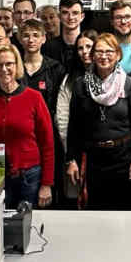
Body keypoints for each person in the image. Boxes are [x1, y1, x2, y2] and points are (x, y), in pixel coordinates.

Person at [66, 33, 131, 211]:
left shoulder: (128, 84)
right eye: (99, 51)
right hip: (93, 159)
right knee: (95, 211)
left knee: (124, 212)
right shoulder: (81, 85)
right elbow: (74, 126)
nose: (104, 56)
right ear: (92, 55)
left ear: (118, 55)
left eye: (109, 51)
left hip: (123, 158)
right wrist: (71, 160)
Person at [0, 44, 54, 209]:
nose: (4, 69)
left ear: (17, 65)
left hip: (29, 176)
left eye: (9, 64)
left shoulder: (34, 98)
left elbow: (47, 144)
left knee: (26, 226)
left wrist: (46, 185)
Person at [55, 28, 98, 209]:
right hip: (76, 148)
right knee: (76, 198)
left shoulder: (111, 77)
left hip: (103, 151)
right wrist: (70, 155)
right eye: (80, 48)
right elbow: (62, 118)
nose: (85, 52)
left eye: (89, 46)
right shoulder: (70, 79)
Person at [19, 19, 65, 121]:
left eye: (36, 35)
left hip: (46, 122)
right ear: (20, 39)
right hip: (19, 122)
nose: (31, 40)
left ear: (43, 39)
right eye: (26, 36)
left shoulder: (55, 68)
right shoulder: (13, 67)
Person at [43, 0, 85, 78]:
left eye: (75, 13)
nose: (70, 17)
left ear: (82, 17)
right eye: (65, 13)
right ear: (59, 16)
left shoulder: (91, 45)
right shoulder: (47, 47)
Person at [109, 0, 131, 73]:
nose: (123, 22)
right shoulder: (105, 45)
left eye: (127, 17)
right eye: (118, 17)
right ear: (112, 21)